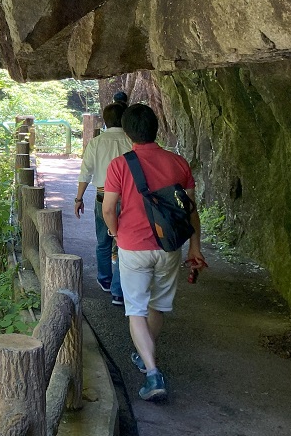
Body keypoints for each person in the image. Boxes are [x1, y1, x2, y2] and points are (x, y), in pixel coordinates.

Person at [102, 103, 204, 402]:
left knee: (135, 309)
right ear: (155, 128)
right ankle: (144, 354)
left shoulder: (120, 165)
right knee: (157, 306)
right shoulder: (179, 163)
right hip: (169, 245)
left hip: (133, 245)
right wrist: (195, 246)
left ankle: (152, 372)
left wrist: (115, 231)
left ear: (128, 133)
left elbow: (108, 208)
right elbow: (190, 211)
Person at [75, 103, 132, 305]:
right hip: (128, 200)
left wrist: (79, 198)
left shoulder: (96, 143)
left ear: (105, 120)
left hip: (102, 196)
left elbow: (86, 172)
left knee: (103, 241)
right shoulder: (132, 141)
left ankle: (105, 279)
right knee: (124, 244)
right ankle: (119, 290)